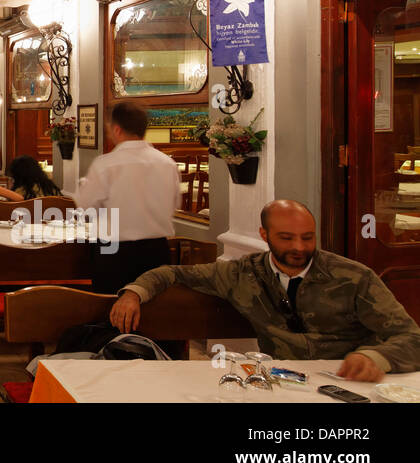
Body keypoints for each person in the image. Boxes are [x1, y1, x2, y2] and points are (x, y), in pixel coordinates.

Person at [112, 200, 420, 380]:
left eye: (307, 237)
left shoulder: (354, 278)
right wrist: (134, 292)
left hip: (351, 382)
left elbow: (412, 338)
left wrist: (377, 358)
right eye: (286, 238)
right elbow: (174, 273)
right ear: (264, 234)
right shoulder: (241, 273)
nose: (299, 248)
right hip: (285, 383)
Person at [75, 103, 179, 293]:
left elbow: (85, 207)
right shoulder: (168, 164)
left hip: (114, 251)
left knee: (112, 309)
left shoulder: (105, 165)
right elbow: (174, 205)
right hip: (157, 249)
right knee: (154, 311)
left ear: (117, 129)